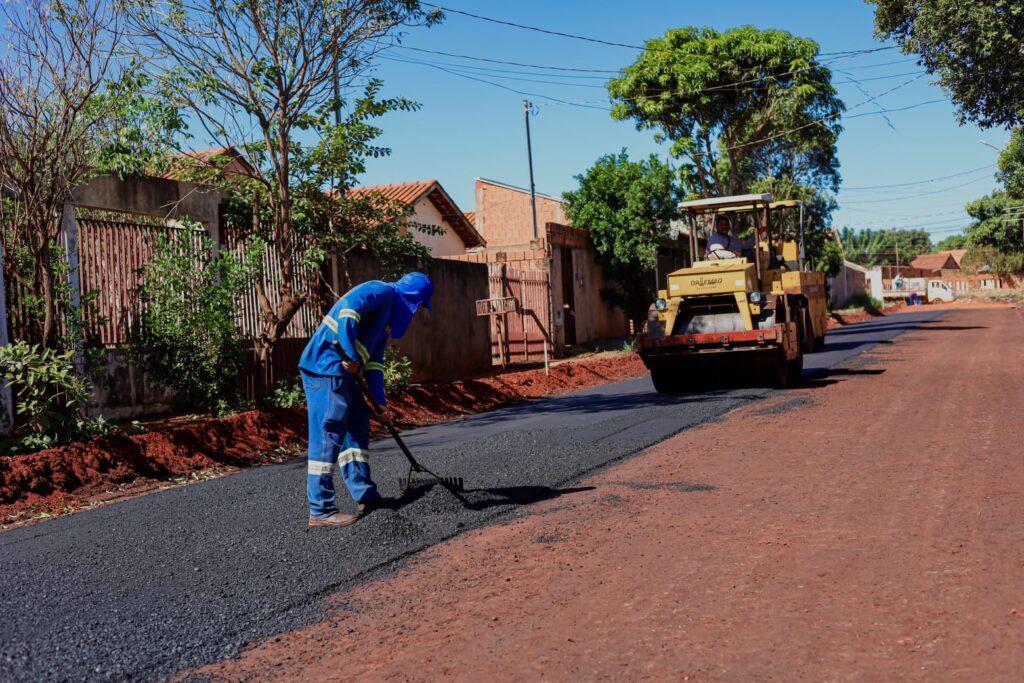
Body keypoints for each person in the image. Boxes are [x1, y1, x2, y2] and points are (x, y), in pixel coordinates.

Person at [298, 272, 434, 527]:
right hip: (326, 366)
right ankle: (321, 509)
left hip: (346, 374)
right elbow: (348, 313)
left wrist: (380, 403)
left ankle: (366, 495)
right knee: (329, 432)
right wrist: (349, 353)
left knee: (357, 429)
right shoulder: (380, 291)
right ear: (412, 297)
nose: (414, 313)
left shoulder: (384, 325)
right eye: (417, 306)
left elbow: (374, 364)